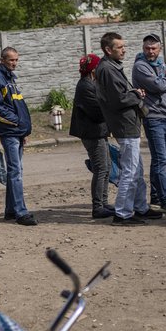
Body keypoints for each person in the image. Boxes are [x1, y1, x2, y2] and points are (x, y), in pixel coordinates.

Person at [96, 32, 162, 226]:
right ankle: (123, 213)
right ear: (108, 50)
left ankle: (140, 207)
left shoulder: (111, 67)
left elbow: (121, 94)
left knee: (137, 169)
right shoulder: (107, 69)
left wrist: (133, 93)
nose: (124, 50)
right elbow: (118, 99)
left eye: (124, 46)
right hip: (124, 125)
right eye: (120, 47)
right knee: (130, 171)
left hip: (129, 124)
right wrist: (137, 95)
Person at [131, 33, 166, 214]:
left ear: (159, 49)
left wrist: (165, 82)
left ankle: (156, 196)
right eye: (147, 48)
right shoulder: (140, 66)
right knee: (160, 160)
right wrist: (165, 82)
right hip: (153, 118)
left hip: (165, 117)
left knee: (160, 160)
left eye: (153, 48)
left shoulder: (160, 64)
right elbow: (162, 86)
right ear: (143, 48)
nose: (150, 51)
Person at [0, 47, 37, 226]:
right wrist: (16, 122)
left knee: (14, 171)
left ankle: (10, 210)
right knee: (15, 172)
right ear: (2, 60)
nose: (14, 63)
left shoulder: (11, 79)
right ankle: (21, 212)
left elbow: (18, 105)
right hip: (9, 132)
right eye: (11, 60)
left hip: (17, 132)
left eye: (16, 60)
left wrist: (24, 129)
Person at [68, 54, 112, 219]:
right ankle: (98, 207)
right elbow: (97, 111)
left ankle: (104, 203)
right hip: (92, 133)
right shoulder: (85, 86)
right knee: (100, 169)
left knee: (106, 167)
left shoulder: (92, 84)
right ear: (93, 69)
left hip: (99, 132)